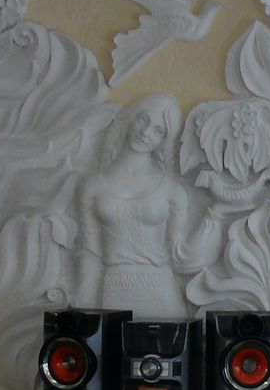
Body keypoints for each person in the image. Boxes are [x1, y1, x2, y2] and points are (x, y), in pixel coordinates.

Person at [74, 93, 221, 318]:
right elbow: (90, 252)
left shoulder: (173, 191)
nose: (146, 132)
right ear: (131, 118)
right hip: (114, 290)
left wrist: (212, 221)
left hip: (161, 293)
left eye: (158, 130)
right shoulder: (92, 186)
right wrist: (82, 303)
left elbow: (180, 254)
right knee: (112, 342)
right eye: (143, 119)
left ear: (164, 140)